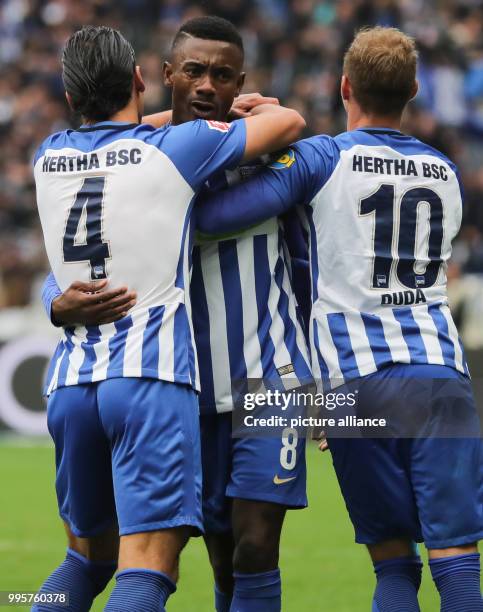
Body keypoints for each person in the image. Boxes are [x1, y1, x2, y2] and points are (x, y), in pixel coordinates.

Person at [197, 26, 483, 612]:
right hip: (442, 376)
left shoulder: (323, 157)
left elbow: (220, 217)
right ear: (413, 91)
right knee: (458, 567)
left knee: (393, 564)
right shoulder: (447, 172)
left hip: (355, 385)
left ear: (344, 86)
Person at [42, 16, 312, 612]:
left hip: (271, 376)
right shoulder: (163, 155)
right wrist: (53, 301)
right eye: (193, 71)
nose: (207, 84)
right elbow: (65, 269)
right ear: (159, 76)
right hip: (184, 384)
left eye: (221, 75)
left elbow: (307, 265)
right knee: (208, 553)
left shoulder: (273, 155)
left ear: (240, 80)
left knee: (253, 546)